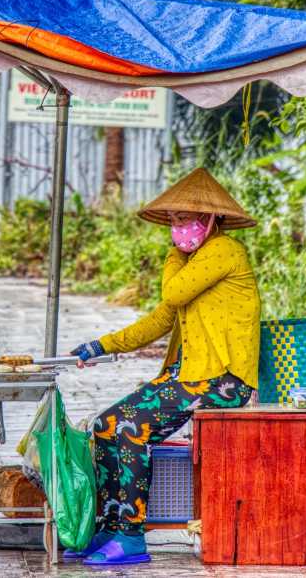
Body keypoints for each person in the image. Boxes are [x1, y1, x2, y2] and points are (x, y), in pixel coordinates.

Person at [67, 167, 261, 566]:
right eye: (173, 219)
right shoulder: (195, 262)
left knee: (130, 428)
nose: (177, 227)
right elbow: (159, 320)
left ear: (213, 220)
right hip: (189, 376)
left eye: (186, 218)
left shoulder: (224, 252)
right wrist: (99, 346)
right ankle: (109, 526)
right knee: (105, 425)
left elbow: (172, 291)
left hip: (221, 379)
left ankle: (133, 537)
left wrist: (174, 255)